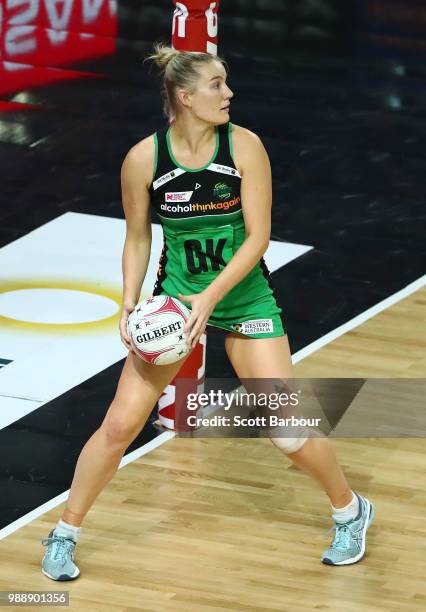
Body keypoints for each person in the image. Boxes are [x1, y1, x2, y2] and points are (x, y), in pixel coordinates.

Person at [41, 44, 374, 580]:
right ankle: (64, 533)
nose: (229, 93)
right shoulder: (143, 159)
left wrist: (210, 299)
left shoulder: (244, 146)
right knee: (120, 424)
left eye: (226, 83)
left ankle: (350, 509)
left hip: (241, 299)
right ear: (184, 96)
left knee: (285, 430)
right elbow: (136, 238)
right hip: (175, 303)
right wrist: (129, 304)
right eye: (217, 84)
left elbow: (259, 238)